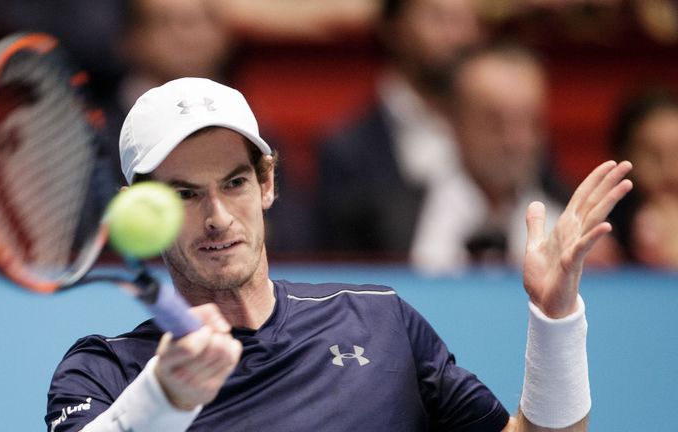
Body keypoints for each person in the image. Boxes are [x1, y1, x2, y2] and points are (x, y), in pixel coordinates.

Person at [46, 77, 633, 431]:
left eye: (234, 183)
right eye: (183, 196)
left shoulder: (381, 323)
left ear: (267, 182)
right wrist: (163, 398)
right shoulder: (107, 373)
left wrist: (555, 321)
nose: (218, 217)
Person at [316, 0, 485, 257]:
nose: (459, 36)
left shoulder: (508, 130)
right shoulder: (347, 150)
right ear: (393, 28)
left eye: (467, 19)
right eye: (439, 18)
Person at [409, 43, 571, 273]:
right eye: (495, 123)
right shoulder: (387, 217)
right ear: (454, 122)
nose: (518, 141)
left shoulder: (573, 219)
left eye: (532, 122)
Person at [608, 87, 678, 268]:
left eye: (677, 152)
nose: (669, 169)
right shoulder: (602, 231)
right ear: (622, 158)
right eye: (651, 155)